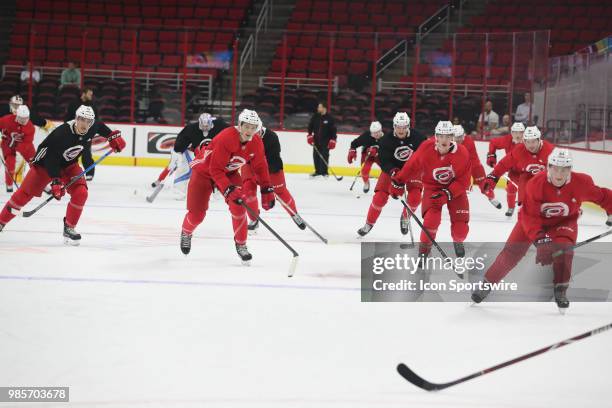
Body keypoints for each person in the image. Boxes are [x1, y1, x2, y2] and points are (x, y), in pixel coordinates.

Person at [471, 148, 612, 312]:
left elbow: (604, 197)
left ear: (570, 169)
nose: (559, 173)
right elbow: (530, 217)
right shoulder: (536, 184)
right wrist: (540, 239)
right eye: (555, 168)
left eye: (564, 169)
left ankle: (560, 290)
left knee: (565, 251)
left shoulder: (581, 182)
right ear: (549, 167)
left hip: (563, 222)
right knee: (511, 252)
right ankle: (487, 284)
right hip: (532, 221)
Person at [0, 105, 126, 244]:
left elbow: (100, 126)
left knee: (81, 193)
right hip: (44, 165)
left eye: (88, 121)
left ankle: (69, 228)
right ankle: (1, 221)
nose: (85, 124)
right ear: (76, 119)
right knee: (22, 196)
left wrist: (112, 137)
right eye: (82, 120)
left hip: (69, 165)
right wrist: (55, 181)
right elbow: (50, 159)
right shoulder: (62, 134)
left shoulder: (92, 126)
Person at [179, 109, 274, 264]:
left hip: (228, 173)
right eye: (246, 126)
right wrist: (229, 190)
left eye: (253, 127)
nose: (249, 131)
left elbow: (261, 166)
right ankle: (186, 232)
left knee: (239, 207)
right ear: (240, 125)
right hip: (204, 173)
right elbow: (215, 169)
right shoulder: (227, 137)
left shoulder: (256, 142)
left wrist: (266, 188)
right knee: (197, 215)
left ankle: (241, 245)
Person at [390, 121, 471, 260]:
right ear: (436, 136)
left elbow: (464, 181)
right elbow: (412, 165)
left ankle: (458, 241)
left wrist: (447, 193)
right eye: (441, 136)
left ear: (452, 137)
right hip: (433, 189)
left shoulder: (462, 153)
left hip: (455, 191)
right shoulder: (426, 147)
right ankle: (424, 250)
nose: (444, 140)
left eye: (448, 136)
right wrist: (399, 180)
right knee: (430, 223)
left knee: (460, 231)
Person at [357, 112, 426, 237]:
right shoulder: (386, 140)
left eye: (404, 126)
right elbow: (384, 160)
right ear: (394, 126)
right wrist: (393, 171)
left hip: (413, 171)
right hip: (392, 170)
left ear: (408, 126)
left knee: (415, 197)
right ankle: (369, 223)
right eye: (398, 126)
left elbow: (426, 153)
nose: (401, 130)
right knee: (379, 198)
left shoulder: (419, 138)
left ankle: (405, 217)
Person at [242, 121, 305, 232]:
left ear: (260, 130)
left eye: (257, 133)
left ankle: (294, 213)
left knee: (280, 191)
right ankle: (254, 219)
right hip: (250, 165)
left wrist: (264, 179)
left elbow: (274, 158)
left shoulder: (271, 137)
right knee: (248, 190)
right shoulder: (245, 135)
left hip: (271, 167)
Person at [151, 112, 228, 199]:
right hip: (192, 153)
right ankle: (177, 191)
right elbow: (180, 144)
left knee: (216, 171)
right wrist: (177, 152)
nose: (205, 128)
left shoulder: (220, 126)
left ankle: (219, 191)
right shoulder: (191, 129)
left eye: (207, 126)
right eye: (203, 126)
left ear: (211, 123)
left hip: (212, 154)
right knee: (182, 169)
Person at [482, 126, 554, 206]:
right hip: (526, 179)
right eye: (528, 142)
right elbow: (503, 165)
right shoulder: (519, 150)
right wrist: (491, 179)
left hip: (545, 181)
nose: (530, 145)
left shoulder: (550, 151)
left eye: (533, 141)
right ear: (524, 141)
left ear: (539, 140)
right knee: (525, 204)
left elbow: (559, 171)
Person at [64, 88, 113, 181]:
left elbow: (96, 121)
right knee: (71, 153)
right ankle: (68, 172)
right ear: (83, 93)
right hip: (73, 133)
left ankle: (89, 173)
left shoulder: (92, 105)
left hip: (87, 134)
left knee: (86, 154)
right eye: (89, 94)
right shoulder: (73, 104)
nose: (91, 96)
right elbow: (67, 118)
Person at [452, 124, 501, 209]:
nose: (458, 139)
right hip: (462, 168)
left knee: (484, 185)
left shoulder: (468, 142)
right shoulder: (450, 142)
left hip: (475, 167)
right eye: (456, 137)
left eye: (460, 136)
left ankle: (491, 197)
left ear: (463, 135)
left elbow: (463, 161)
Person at [487, 122, 525, 216]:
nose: (517, 135)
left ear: (524, 133)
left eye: (520, 132)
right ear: (511, 133)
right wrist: (491, 156)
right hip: (513, 170)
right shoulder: (507, 140)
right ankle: (511, 208)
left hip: (527, 171)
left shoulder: (529, 141)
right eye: (515, 132)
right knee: (511, 189)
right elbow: (493, 143)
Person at [0, 105, 36, 192]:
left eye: (26, 118)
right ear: (17, 116)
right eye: (21, 118)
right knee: (10, 163)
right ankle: (9, 185)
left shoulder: (30, 127)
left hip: (24, 145)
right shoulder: (6, 120)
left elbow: (27, 144)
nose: (24, 120)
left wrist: (18, 147)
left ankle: (39, 183)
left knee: (35, 162)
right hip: (7, 143)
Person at [347, 121, 384, 193]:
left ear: (381, 130)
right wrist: (352, 151)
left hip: (380, 156)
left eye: (377, 132)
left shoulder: (386, 138)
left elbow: (389, 150)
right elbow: (354, 143)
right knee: (364, 171)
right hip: (367, 156)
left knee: (387, 170)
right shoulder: (366, 136)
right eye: (373, 133)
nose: (376, 134)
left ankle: (386, 184)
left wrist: (378, 151)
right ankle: (366, 183)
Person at [306, 102, 337, 177]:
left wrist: (333, 139)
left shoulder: (330, 118)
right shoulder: (315, 116)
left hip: (326, 140)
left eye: (319, 107)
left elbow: (333, 130)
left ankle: (324, 172)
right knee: (315, 155)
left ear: (324, 108)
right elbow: (310, 126)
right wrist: (309, 135)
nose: (318, 108)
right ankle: (317, 171)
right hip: (316, 139)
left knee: (324, 155)